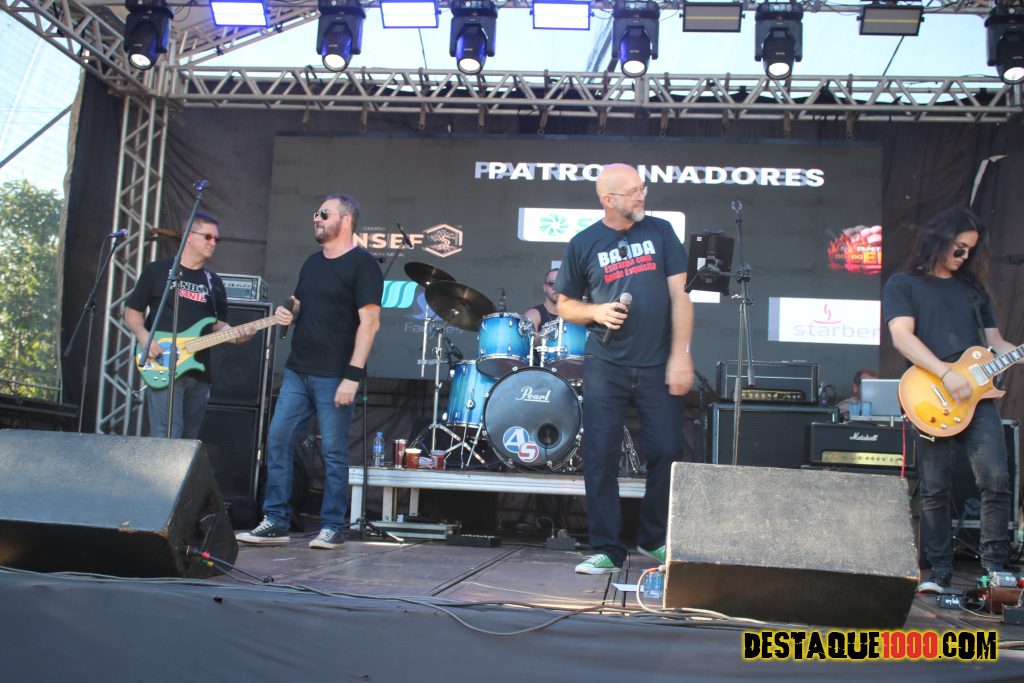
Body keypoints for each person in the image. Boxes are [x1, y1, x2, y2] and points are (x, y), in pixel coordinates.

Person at [555, 163, 695, 574]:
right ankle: (608, 549)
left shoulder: (661, 232)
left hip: (658, 362)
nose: (642, 195)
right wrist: (596, 311)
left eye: (642, 188)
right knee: (600, 455)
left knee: (667, 451)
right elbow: (565, 304)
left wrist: (681, 354)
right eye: (633, 190)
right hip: (606, 364)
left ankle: (653, 539)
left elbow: (681, 296)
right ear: (608, 199)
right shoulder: (583, 242)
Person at [883, 206, 1017, 593]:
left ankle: (994, 572)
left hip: (978, 399)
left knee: (996, 479)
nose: (964, 256)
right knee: (935, 487)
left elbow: (995, 343)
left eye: (970, 251)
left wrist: (1015, 353)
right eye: (959, 248)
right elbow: (902, 337)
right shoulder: (904, 284)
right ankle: (939, 573)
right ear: (938, 240)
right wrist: (945, 373)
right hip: (931, 394)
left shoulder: (973, 290)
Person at [237, 194, 382, 550]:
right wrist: (289, 312)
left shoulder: (363, 264)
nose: (316, 218)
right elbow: (300, 303)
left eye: (323, 214)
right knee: (278, 439)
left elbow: (370, 322)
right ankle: (275, 520)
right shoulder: (312, 262)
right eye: (315, 214)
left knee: (333, 451)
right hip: (298, 370)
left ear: (345, 220)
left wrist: (352, 376)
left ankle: (332, 526)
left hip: (335, 374)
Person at [125, 212, 254, 439]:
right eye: (207, 237)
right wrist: (144, 337)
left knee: (187, 440)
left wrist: (237, 336)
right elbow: (132, 311)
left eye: (216, 239)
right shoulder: (157, 271)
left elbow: (217, 325)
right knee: (167, 435)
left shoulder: (214, 282)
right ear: (188, 236)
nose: (213, 243)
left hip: (199, 371)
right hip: (164, 361)